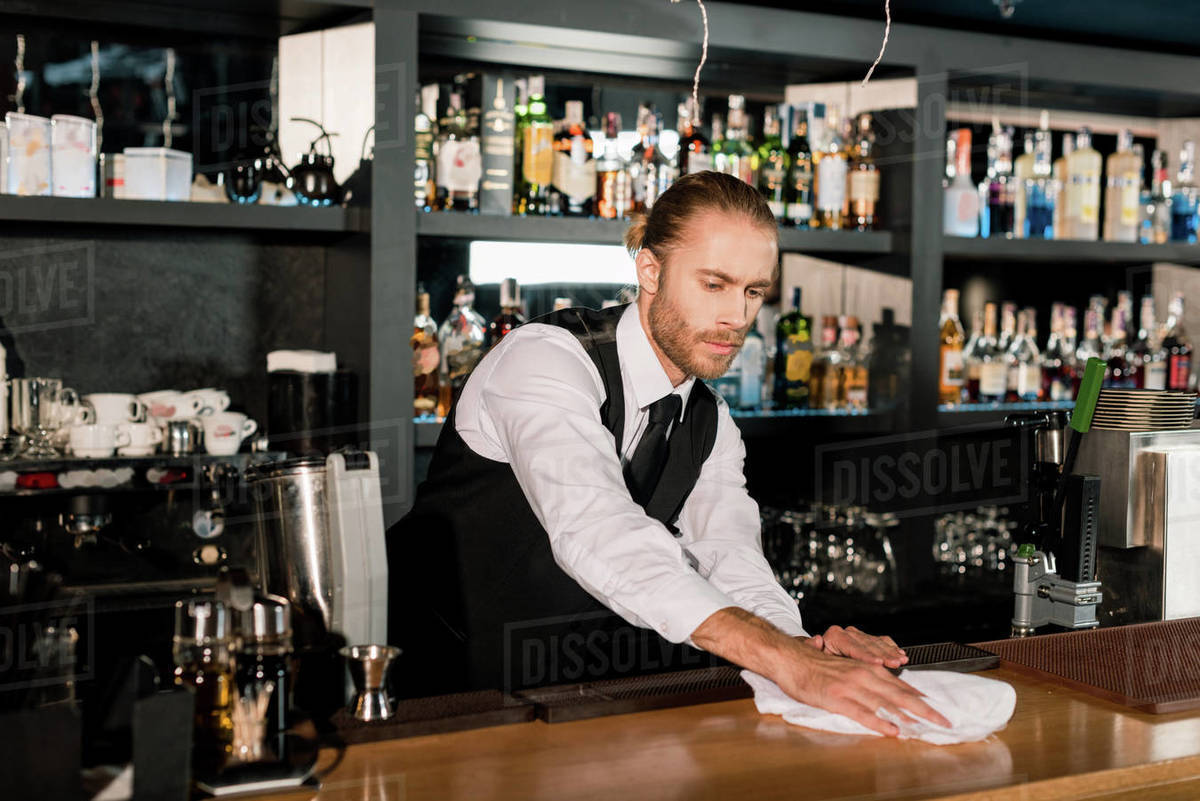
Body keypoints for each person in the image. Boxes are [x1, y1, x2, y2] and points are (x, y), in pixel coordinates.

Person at [387, 171, 949, 736]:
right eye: (714, 285)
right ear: (650, 271)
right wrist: (788, 662)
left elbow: (730, 558)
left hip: (564, 704)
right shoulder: (544, 359)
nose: (738, 317)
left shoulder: (710, 421)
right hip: (436, 697)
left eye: (754, 291)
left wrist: (803, 650)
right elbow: (598, 530)